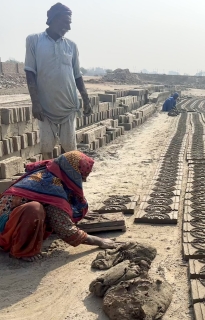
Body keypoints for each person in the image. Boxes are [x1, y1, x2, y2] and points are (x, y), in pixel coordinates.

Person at [0, 151, 115, 262]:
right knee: (35, 209)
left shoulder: (49, 172)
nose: (83, 180)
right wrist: (99, 241)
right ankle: (22, 251)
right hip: (4, 232)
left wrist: (72, 212)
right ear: (73, 173)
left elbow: (63, 202)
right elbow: (65, 229)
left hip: (12, 220)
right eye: (81, 176)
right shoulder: (52, 185)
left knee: (39, 209)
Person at [24, 3, 92, 160]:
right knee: (46, 147)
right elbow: (30, 73)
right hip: (45, 107)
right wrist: (35, 103)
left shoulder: (71, 46)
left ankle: (67, 181)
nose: (69, 26)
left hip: (68, 106)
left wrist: (86, 99)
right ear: (54, 19)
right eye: (66, 21)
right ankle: (49, 181)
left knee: (69, 149)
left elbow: (77, 75)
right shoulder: (34, 40)